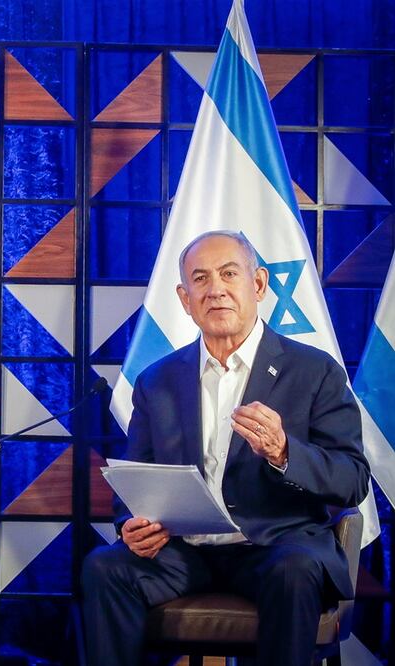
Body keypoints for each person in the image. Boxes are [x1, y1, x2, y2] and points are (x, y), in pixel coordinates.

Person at [81, 230, 370, 666]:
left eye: (228, 274)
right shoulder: (157, 381)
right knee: (104, 567)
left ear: (257, 285)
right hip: (184, 551)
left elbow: (352, 479)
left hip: (276, 548)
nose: (214, 289)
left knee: (294, 571)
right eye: (200, 279)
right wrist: (131, 525)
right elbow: (134, 484)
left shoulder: (315, 372)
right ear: (184, 297)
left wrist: (285, 452)